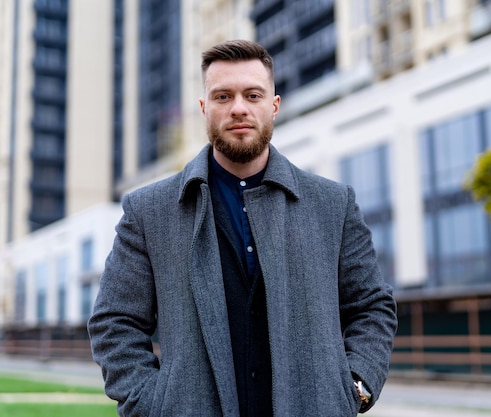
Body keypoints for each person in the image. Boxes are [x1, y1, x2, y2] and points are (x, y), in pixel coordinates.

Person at [88, 39, 397, 417]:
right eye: (222, 96)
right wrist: (155, 404)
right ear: (204, 108)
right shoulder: (148, 211)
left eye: (253, 95)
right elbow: (114, 322)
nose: (238, 108)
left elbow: (372, 307)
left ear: (274, 105)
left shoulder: (333, 205)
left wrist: (355, 387)